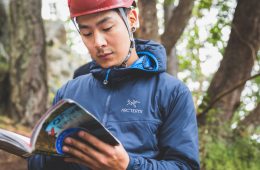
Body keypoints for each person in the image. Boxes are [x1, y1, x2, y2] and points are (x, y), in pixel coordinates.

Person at [28, 0, 200, 169]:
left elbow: (185, 166)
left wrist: (128, 165)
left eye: (107, 28)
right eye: (87, 33)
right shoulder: (69, 92)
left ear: (132, 19)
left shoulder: (172, 93)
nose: (98, 43)